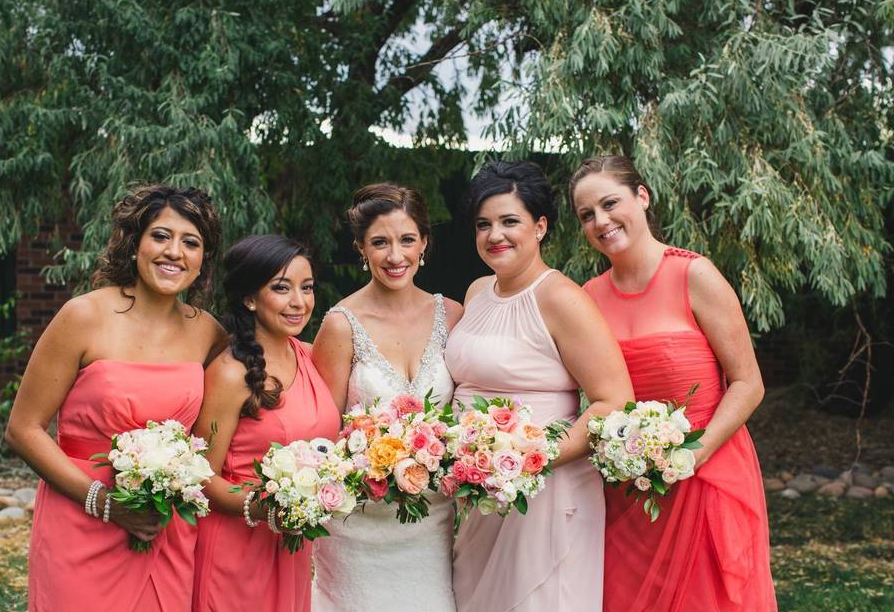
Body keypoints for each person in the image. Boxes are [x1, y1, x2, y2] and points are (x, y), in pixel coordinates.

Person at [570, 155, 776, 611]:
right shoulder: (586, 298)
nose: (601, 221)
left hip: (707, 475)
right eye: (587, 215)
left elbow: (747, 383)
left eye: (610, 203)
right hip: (627, 491)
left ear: (642, 196)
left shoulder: (694, 275)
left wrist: (690, 457)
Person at [5, 185, 225, 611]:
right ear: (135, 243)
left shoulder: (208, 332)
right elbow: (23, 429)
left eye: (191, 242)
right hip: (80, 519)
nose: (174, 252)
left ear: (203, 261)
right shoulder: (83, 317)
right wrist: (102, 502)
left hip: (164, 531)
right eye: (161, 236)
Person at [446, 160, 633, 612]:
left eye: (510, 221)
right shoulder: (475, 293)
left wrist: (529, 460)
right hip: (479, 496)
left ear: (540, 226)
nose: (496, 236)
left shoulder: (561, 298)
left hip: (545, 494)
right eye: (484, 224)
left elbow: (615, 400)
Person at [310, 182, 463, 612]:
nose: (395, 256)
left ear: (425, 243)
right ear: (361, 248)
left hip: (431, 523)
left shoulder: (453, 315)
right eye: (380, 242)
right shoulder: (341, 324)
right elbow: (324, 433)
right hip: (358, 527)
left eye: (407, 240)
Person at [191, 234, 340, 612]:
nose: (299, 302)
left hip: (292, 547)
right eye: (281, 288)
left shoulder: (310, 356)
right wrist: (266, 508)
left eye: (306, 288)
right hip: (236, 549)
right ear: (249, 298)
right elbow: (200, 476)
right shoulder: (229, 373)